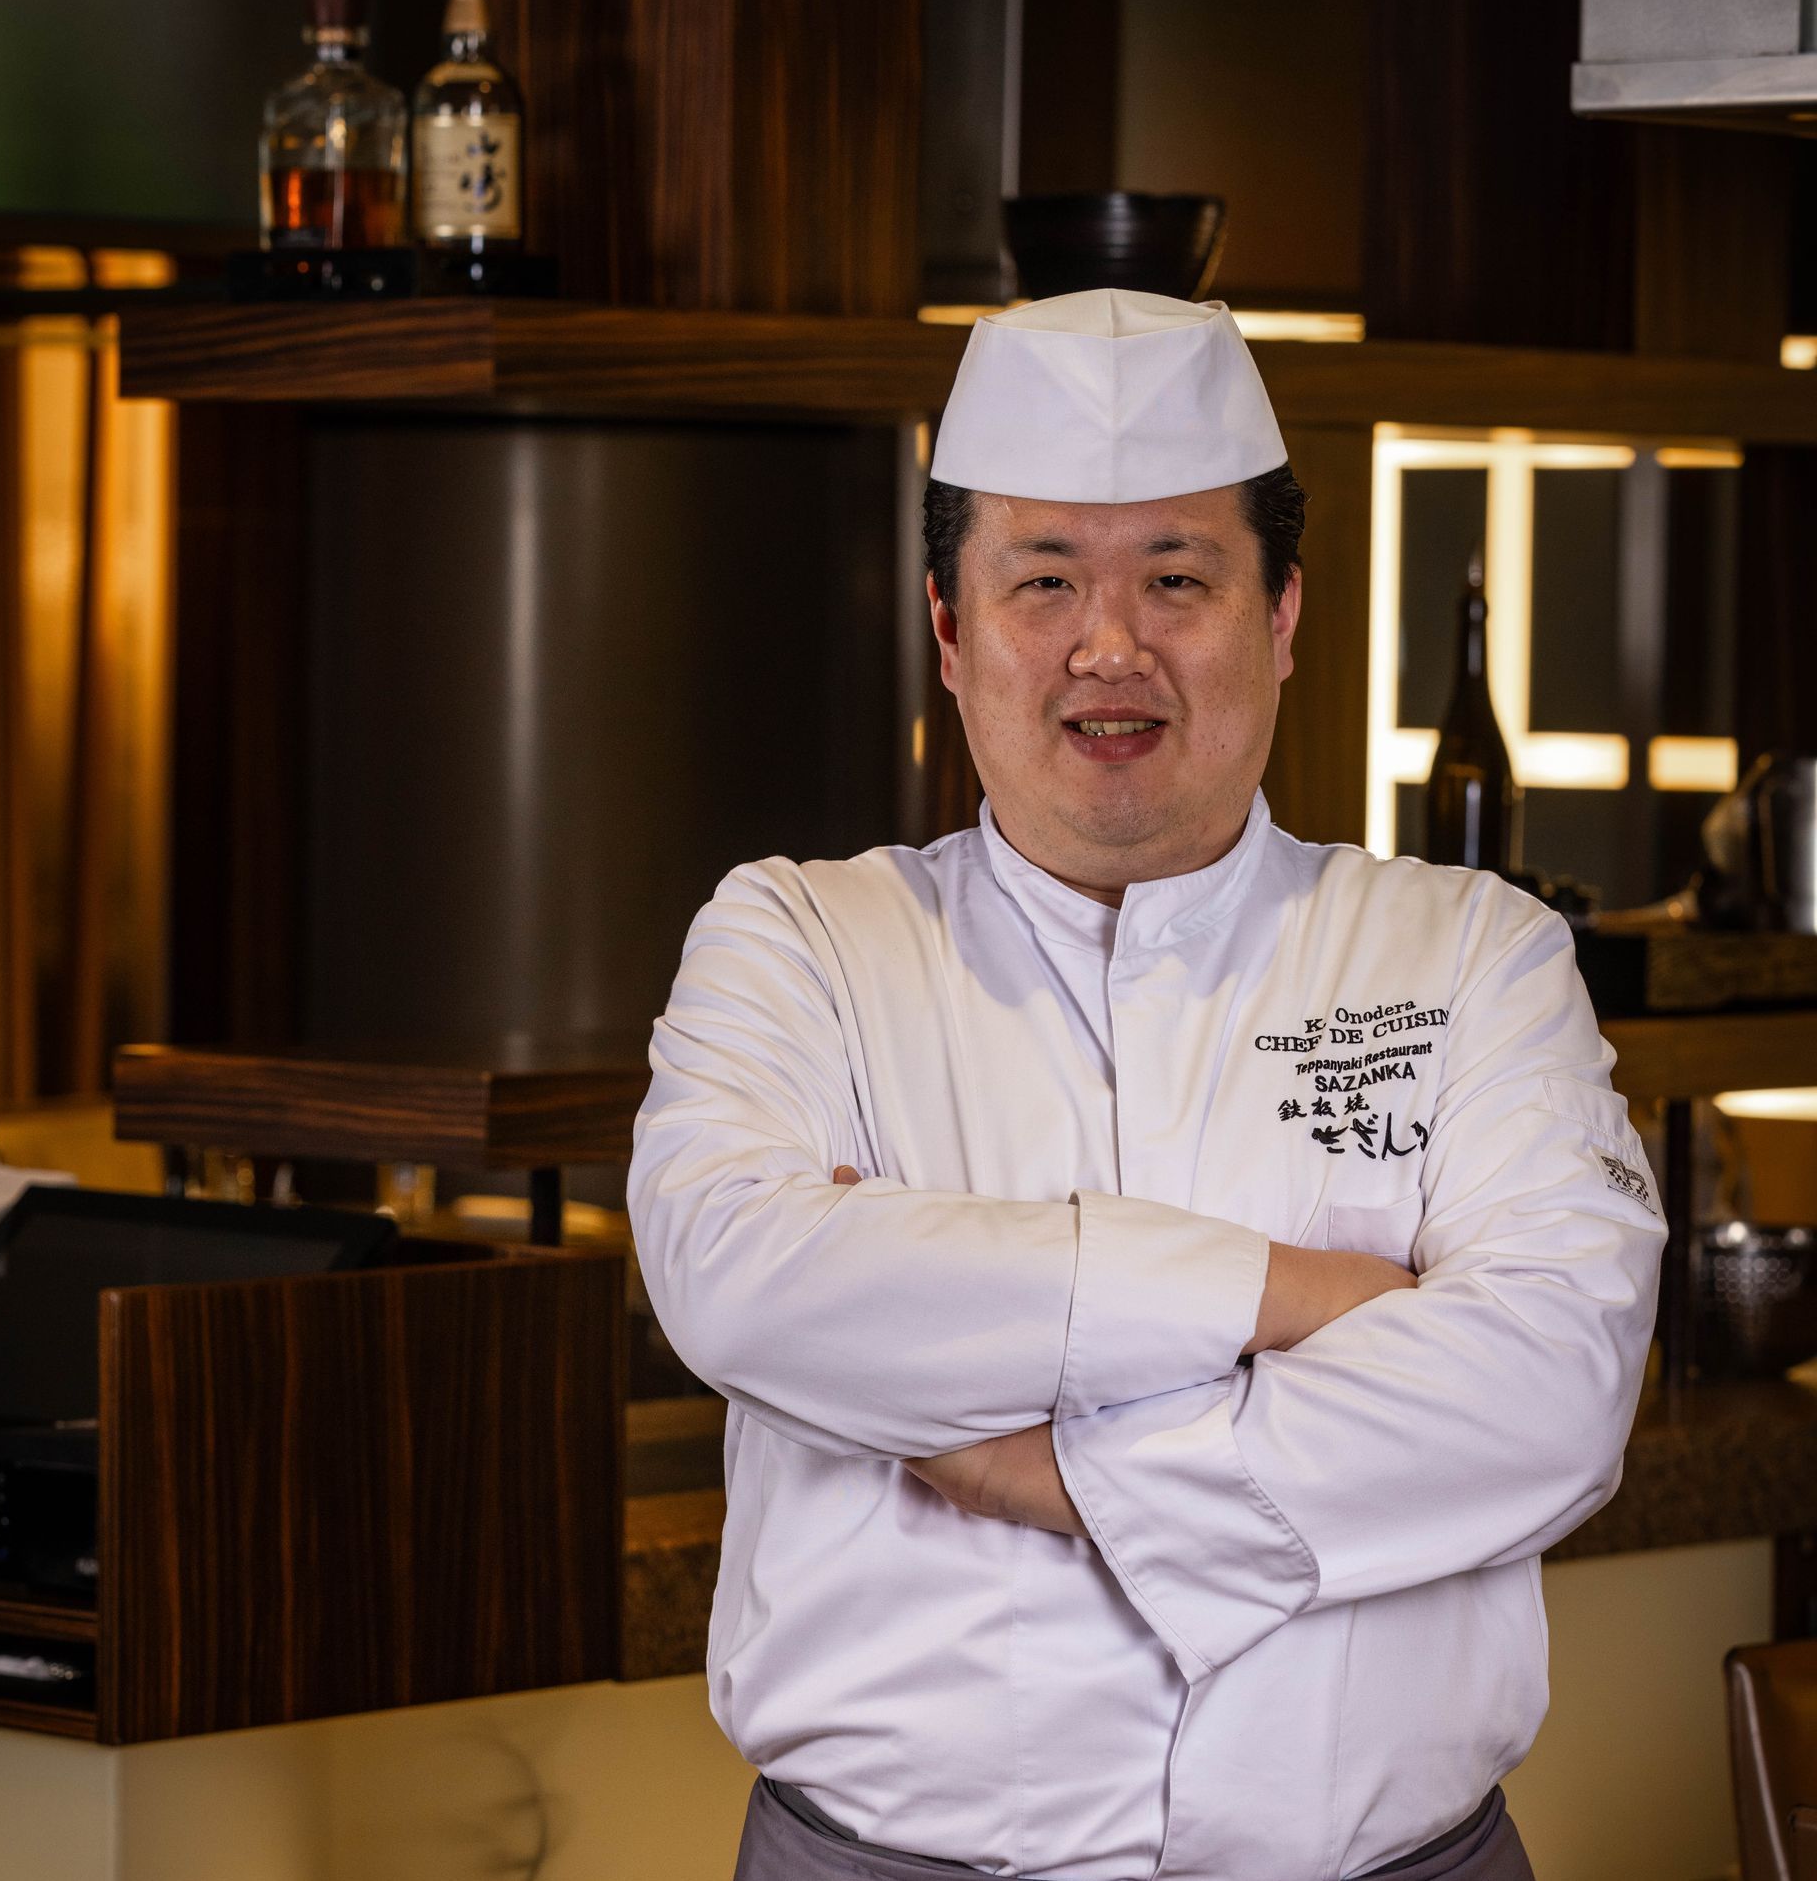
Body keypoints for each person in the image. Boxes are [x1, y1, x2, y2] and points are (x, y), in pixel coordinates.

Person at [628, 289, 1663, 1881]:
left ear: (1286, 618)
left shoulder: (1473, 954)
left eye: (1178, 579)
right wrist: (1299, 1294)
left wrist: (1055, 1472)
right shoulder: (801, 942)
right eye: (1044, 581)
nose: (1111, 647)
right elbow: (745, 1283)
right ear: (953, 630)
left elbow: (1556, 1382)